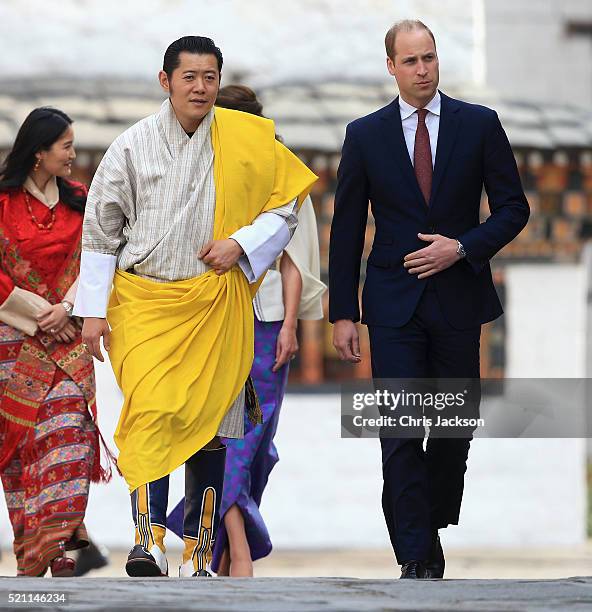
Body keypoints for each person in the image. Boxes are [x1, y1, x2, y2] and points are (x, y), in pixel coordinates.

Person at [73, 37, 317, 578]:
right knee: (153, 414)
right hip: (145, 305)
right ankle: (146, 541)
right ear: (166, 81)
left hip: (218, 304)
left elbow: (285, 208)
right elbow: (100, 231)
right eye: (190, 77)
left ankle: (200, 553)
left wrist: (242, 244)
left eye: (210, 77)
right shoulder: (131, 147)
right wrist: (92, 312)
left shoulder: (246, 139)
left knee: (212, 427)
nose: (201, 87)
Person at [329, 20, 529, 579]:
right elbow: (346, 228)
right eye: (411, 61)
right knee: (398, 431)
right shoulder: (365, 135)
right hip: (392, 305)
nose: (422, 70)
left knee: (451, 431)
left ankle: (428, 516)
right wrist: (343, 312)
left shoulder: (479, 125)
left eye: (430, 59)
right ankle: (416, 554)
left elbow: (515, 209)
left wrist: (462, 247)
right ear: (391, 67)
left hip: (459, 300)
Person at [166, 85, 326, 577]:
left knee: (256, 439)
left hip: (266, 321)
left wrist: (292, 328)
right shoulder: (200, 167)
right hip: (210, 318)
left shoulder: (281, 169)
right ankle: (236, 550)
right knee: (222, 434)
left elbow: (295, 260)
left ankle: (219, 545)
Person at [0, 107, 112, 577]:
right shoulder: (1, 202)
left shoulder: (81, 201)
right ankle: (34, 552)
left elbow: (101, 256)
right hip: (13, 340)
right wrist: (36, 314)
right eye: (65, 145)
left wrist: (66, 308)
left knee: (70, 436)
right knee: (25, 448)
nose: (72, 153)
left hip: (68, 338)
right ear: (38, 151)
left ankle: (61, 548)